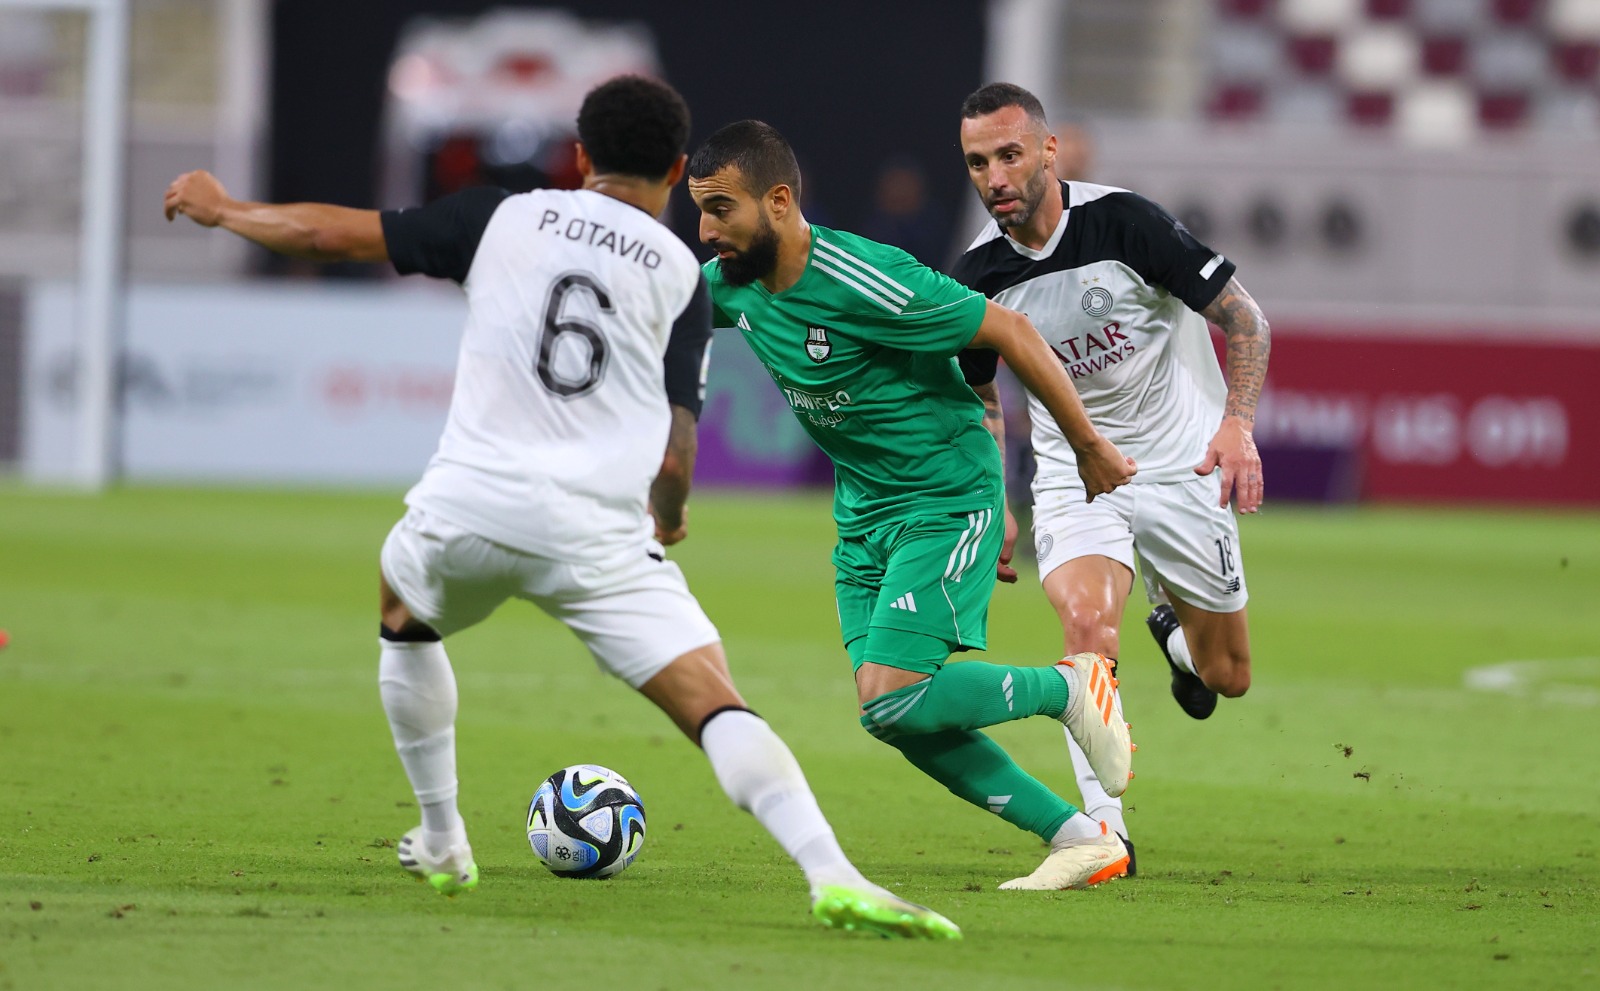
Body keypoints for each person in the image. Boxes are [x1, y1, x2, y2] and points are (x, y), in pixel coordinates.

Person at [163, 75, 962, 940]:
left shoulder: (501, 217)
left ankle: (440, 835)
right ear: (671, 166)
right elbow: (676, 445)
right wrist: (669, 512)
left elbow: (331, 233)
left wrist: (226, 208)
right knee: (715, 703)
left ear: (580, 157)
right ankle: (832, 872)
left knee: (402, 606)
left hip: (469, 505)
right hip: (595, 531)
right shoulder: (679, 278)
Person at [687, 120, 1138, 892]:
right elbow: (653, 303)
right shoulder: (734, 285)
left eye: (721, 208)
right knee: (889, 712)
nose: (705, 229)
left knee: (897, 692)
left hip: (942, 499)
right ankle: (1082, 837)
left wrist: (1085, 446)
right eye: (699, 209)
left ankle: (1070, 686)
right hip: (862, 517)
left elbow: (1010, 332)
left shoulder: (867, 277)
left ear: (781, 200)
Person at [950, 83, 1272, 871]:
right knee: (1088, 629)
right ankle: (1103, 829)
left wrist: (1238, 423)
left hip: (1181, 463)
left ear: (1048, 151)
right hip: (1074, 474)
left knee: (1227, 675)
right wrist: (996, 492)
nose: (994, 176)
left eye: (1009, 155)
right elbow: (980, 392)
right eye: (977, 162)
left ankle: (1176, 634)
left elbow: (1244, 319)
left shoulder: (1126, 223)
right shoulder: (977, 276)